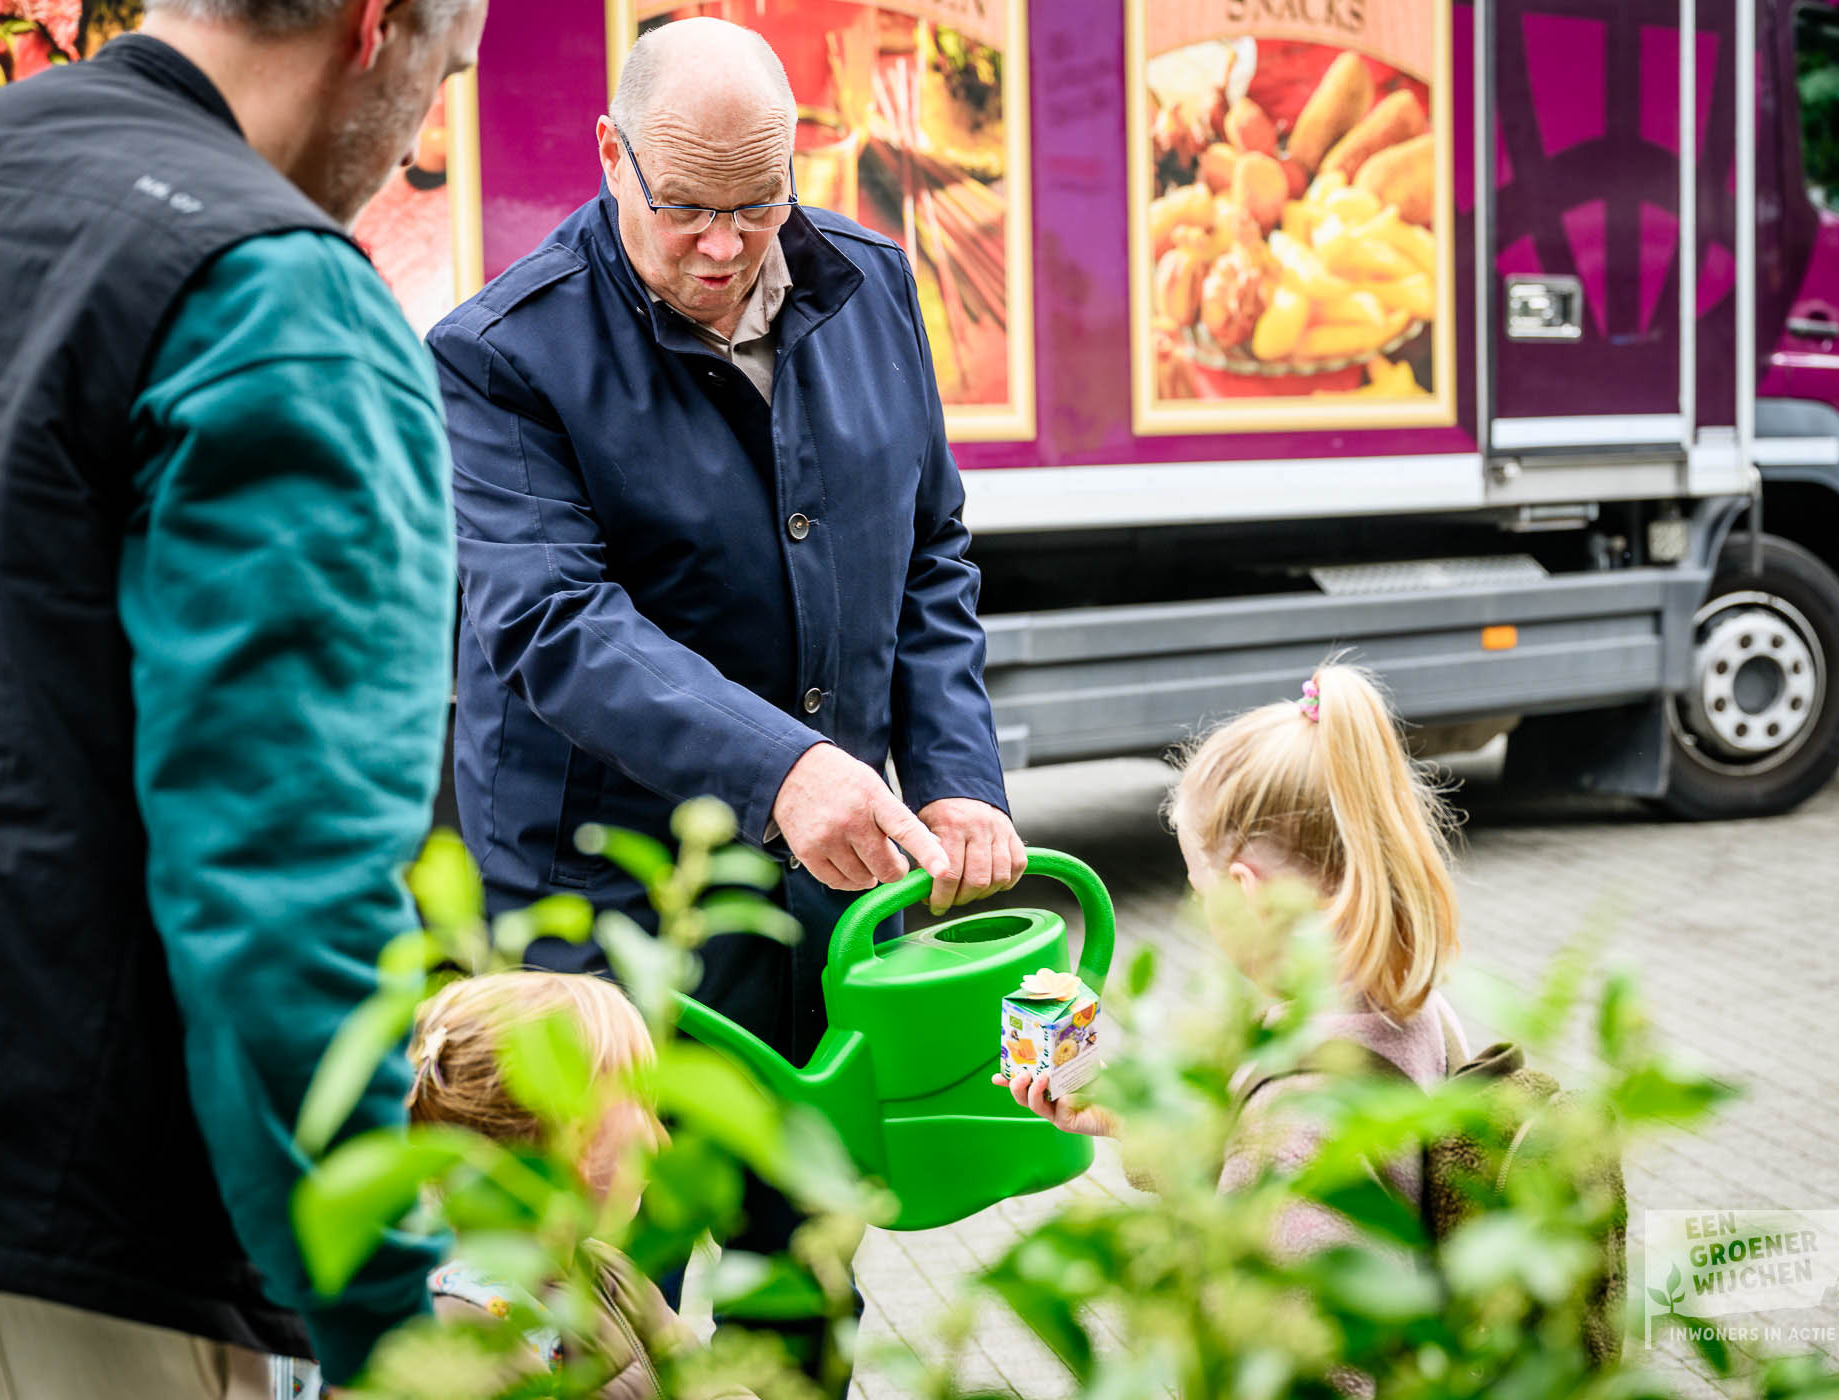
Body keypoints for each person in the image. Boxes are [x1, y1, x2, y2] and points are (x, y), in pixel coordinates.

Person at [0, 0, 485, 1394]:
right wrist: (397, 1326)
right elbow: (288, 907)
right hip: (68, 1259)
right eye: (447, 74)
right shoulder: (278, 297)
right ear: (376, 29)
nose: (424, 130)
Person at [428, 15, 1022, 1349]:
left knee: (797, 1274)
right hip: (605, 930)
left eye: (756, 207)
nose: (722, 244)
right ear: (610, 157)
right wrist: (785, 768)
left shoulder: (872, 288)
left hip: (811, 915)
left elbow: (926, 550)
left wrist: (958, 778)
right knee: (592, 1302)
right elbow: (552, 622)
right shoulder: (501, 355)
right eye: (686, 207)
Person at [1001, 665, 1468, 1254]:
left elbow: (1295, 1332)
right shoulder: (1407, 1003)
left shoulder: (1299, 1123)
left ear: (1247, 893)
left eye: (1200, 890)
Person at [406, 971, 752, 1399]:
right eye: (640, 1104)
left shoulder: (609, 1272)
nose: (660, 1140)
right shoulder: (472, 1331)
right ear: (572, 1136)